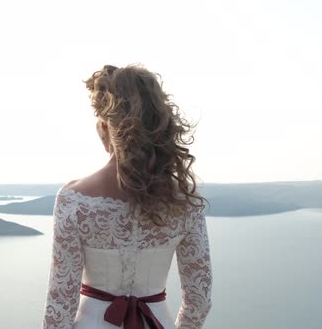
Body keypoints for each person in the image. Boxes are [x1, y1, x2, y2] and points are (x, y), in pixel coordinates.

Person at [41, 64, 213, 329]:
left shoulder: (74, 200)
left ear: (105, 126)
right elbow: (199, 300)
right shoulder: (184, 202)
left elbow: (59, 307)